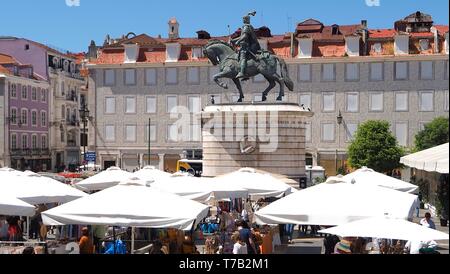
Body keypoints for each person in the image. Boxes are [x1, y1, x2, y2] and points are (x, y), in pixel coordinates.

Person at [231, 11, 261, 79]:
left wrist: (237, 41)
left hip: (250, 46)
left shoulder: (246, 27)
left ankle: (242, 73)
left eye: (243, 19)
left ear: (246, 20)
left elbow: (244, 36)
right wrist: (234, 40)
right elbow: (242, 36)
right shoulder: (247, 26)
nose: (243, 20)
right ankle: (246, 72)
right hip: (251, 45)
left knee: (242, 57)